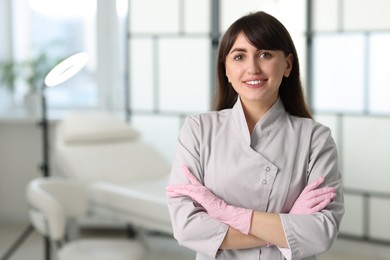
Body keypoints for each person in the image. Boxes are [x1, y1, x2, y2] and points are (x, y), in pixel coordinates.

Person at [166, 11, 344, 260]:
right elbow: (187, 228)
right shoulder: (198, 131)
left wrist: (227, 213)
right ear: (226, 70)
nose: (252, 68)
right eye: (239, 56)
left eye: (265, 54)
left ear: (287, 65)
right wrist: (290, 225)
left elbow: (321, 233)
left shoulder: (315, 139)